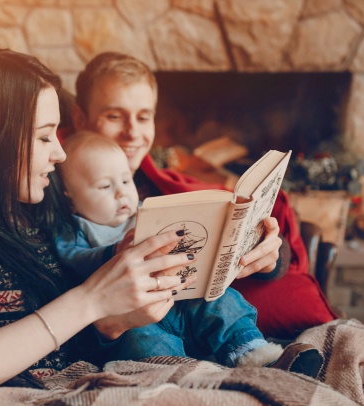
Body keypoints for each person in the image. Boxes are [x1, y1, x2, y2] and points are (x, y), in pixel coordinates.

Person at [0, 45, 199, 397]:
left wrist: (111, 323)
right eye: (45, 137)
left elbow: (61, 348)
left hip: (87, 381)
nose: (59, 154)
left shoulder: (37, 201)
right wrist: (90, 300)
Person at [66, 51, 338, 340]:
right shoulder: (61, 190)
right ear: (81, 119)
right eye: (114, 116)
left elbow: (234, 235)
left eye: (144, 117)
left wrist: (268, 251)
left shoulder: (159, 184)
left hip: (196, 317)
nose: (133, 133)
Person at [54, 130, 294, 369]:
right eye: (105, 186)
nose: (121, 193)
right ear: (71, 199)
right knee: (142, 342)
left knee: (223, 302)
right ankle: (182, 374)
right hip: (131, 315)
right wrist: (114, 252)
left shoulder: (148, 210)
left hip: (184, 294)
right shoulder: (73, 228)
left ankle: (254, 353)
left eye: (127, 180)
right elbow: (72, 258)